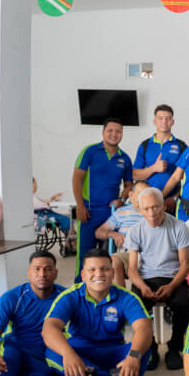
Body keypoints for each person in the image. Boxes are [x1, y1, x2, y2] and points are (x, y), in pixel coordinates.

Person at [43, 249, 152, 376]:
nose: (99, 274)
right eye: (92, 270)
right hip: (80, 355)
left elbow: (143, 328)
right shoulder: (70, 296)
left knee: (142, 347)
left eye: (105, 269)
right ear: (83, 275)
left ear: (113, 272)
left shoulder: (126, 297)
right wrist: (68, 354)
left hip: (113, 353)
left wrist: (133, 356)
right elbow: (50, 328)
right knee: (52, 353)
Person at [125, 187, 189, 370]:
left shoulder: (179, 227)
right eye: (146, 208)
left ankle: (174, 348)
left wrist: (171, 286)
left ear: (163, 205)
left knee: (184, 304)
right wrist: (142, 286)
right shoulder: (135, 230)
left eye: (155, 207)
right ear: (140, 209)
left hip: (173, 278)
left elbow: (185, 264)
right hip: (146, 279)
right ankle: (150, 348)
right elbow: (132, 269)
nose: (151, 213)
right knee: (134, 305)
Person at [72, 119, 133, 278]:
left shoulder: (125, 159)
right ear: (103, 132)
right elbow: (77, 179)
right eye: (110, 131)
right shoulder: (89, 152)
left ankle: (105, 288)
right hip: (88, 213)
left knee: (108, 258)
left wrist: (121, 199)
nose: (114, 134)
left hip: (111, 215)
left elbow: (129, 186)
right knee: (85, 256)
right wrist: (80, 206)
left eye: (118, 131)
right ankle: (80, 287)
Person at [95, 181, 150, 288]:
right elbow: (99, 232)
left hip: (149, 254)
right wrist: (113, 234)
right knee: (113, 260)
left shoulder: (153, 211)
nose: (144, 198)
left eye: (147, 194)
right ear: (131, 195)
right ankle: (121, 296)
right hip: (127, 254)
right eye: (140, 194)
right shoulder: (121, 212)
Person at [132, 104, 187, 211]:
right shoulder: (145, 145)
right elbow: (135, 175)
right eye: (160, 118)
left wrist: (175, 198)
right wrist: (154, 168)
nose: (164, 121)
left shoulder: (181, 146)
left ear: (172, 122)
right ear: (154, 121)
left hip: (170, 202)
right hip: (148, 203)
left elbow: (188, 178)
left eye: (168, 118)